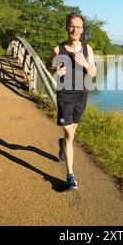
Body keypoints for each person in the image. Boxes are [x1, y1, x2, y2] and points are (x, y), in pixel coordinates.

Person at [48, 13, 96, 190]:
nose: (75, 29)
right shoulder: (57, 50)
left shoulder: (87, 49)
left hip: (81, 95)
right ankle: (70, 176)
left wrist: (86, 64)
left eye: (78, 27)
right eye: (72, 26)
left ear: (82, 30)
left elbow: (93, 73)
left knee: (71, 134)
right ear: (67, 27)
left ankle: (62, 144)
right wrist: (55, 69)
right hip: (64, 95)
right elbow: (48, 65)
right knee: (70, 135)